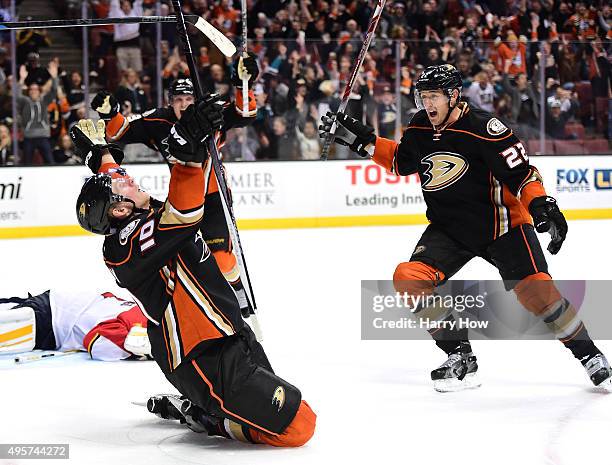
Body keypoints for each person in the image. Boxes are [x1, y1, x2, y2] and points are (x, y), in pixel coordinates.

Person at [319, 64, 612, 392]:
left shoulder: (485, 128)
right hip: (451, 228)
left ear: (454, 96)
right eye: (423, 96)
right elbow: (403, 161)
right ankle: (459, 354)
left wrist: (540, 205)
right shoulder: (420, 126)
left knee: (539, 294)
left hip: (502, 226)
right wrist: (365, 142)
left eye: (434, 97)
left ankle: (590, 355)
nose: (427, 104)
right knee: (409, 279)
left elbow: (523, 174)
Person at [71, 106, 316, 446]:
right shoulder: (124, 248)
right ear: (119, 210)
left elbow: (118, 184)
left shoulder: (137, 213)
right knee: (299, 426)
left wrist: (100, 155)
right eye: (119, 183)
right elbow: (185, 213)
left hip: (230, 332)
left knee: (277, 408)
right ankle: (204, 418)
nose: (127, 177)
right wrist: (186, 157)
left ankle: (211, 411)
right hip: (200, 355)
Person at [90, 55, 259, 319]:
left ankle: (237, 292)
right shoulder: (159, 122)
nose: (183, 105)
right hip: (180, 198)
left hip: (214, 197)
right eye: (178, 100)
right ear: (170, 102)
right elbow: (122, 131)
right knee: (189, 257)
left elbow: (245, 113)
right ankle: (199, 302)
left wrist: (243, 83)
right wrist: (110, 113)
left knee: (222, 257)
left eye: (188, 99)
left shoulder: (209, 112)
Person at [0, 290, 150, 361]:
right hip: (48, 316)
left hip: (55, 314)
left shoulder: (145, 313)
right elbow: (97, 343)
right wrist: (137, 348)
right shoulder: (141, 320)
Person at [17, 59, 58, 165]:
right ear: (28, 91)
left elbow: (53, 91)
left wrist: (54, 77)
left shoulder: (44, 101)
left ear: (39, 91)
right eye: (31, 89)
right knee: (27, 163)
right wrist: (21, 79)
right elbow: (16, 96)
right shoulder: (25, 102)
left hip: (43, 136)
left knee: (50, 161)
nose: (33, 91)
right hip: (28, 137)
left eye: (36, 89)